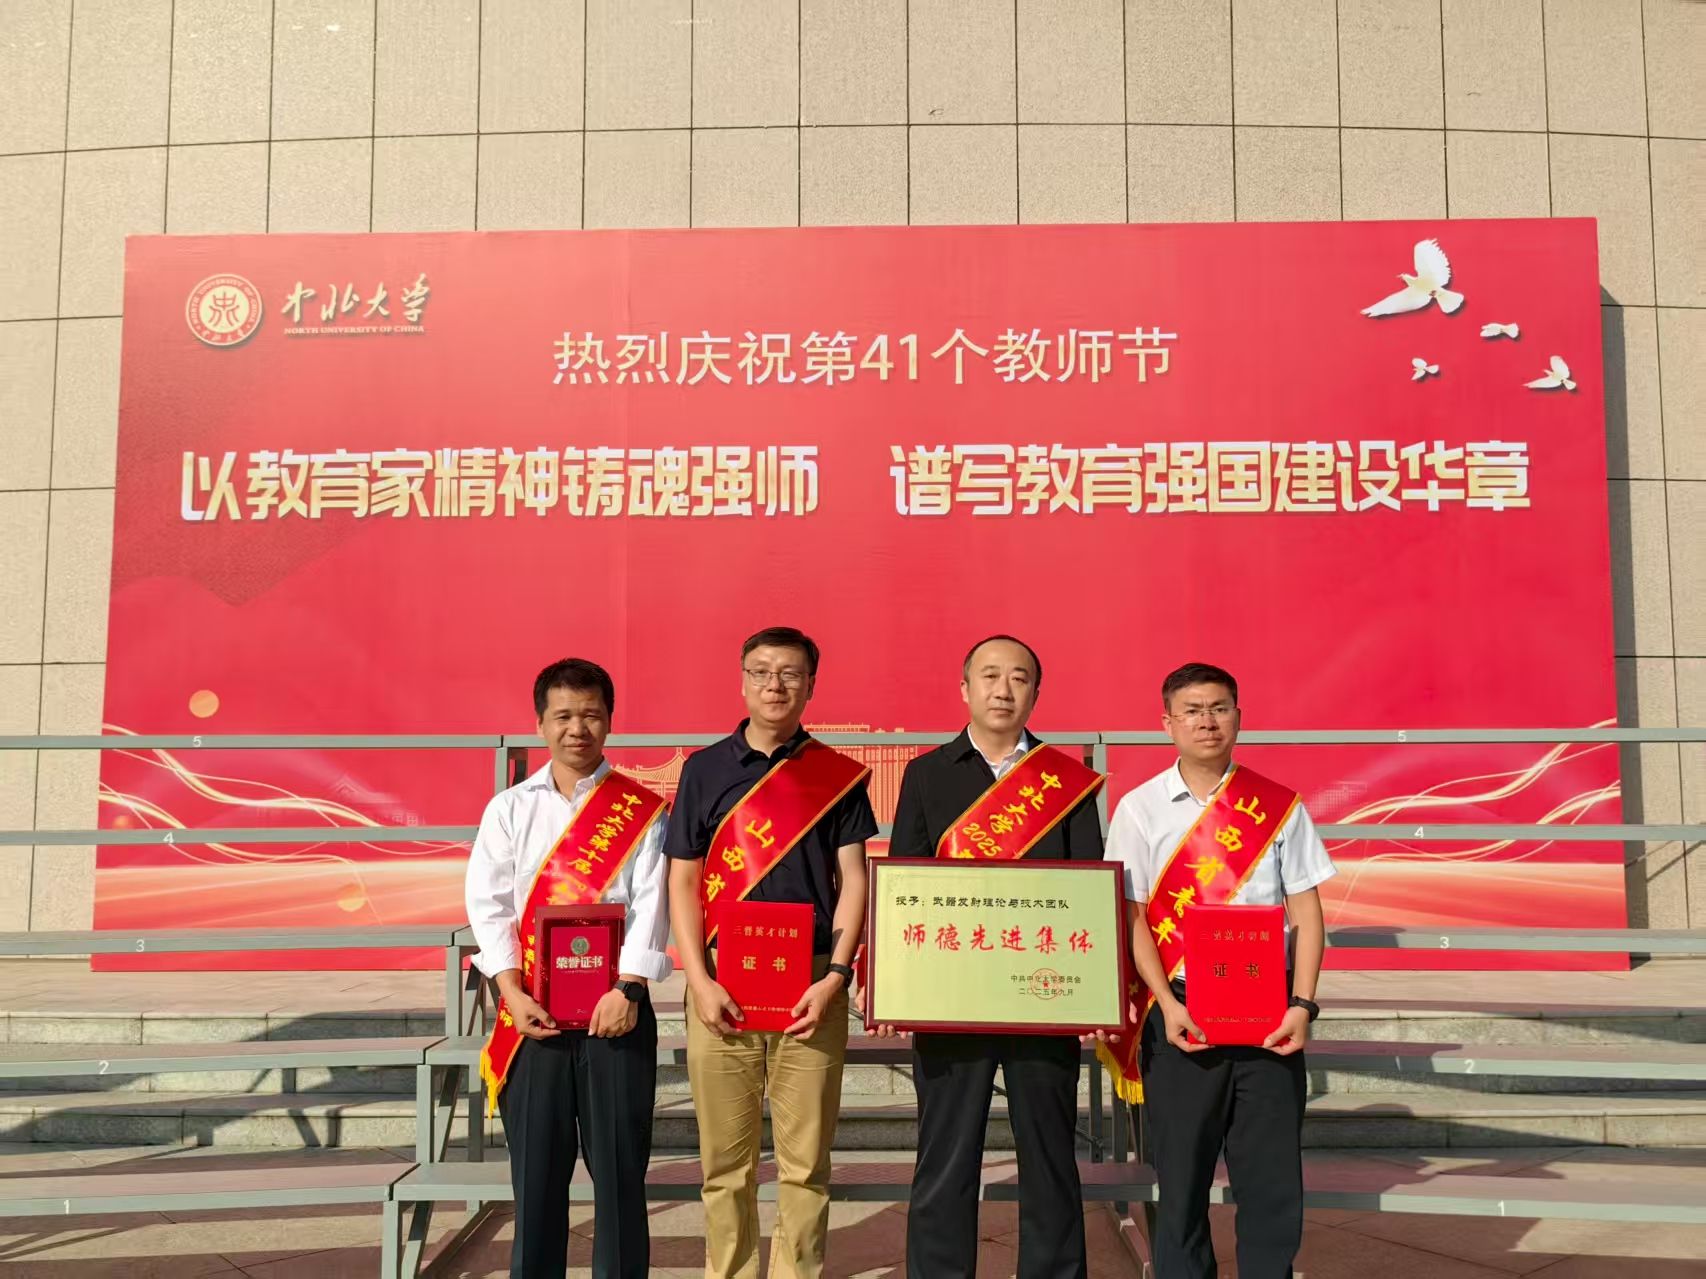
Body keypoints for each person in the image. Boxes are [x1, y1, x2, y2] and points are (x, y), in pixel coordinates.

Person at [883, 635, 1107, 1279]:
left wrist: (1094, 989)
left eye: (1018, 678)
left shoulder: (1066, 781)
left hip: (1043, 996)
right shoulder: (927, 774)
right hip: (950, 999)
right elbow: (904, 883)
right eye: (989, 676)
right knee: (945, 1157)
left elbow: (1088, 886)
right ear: (965, 689)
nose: (1003, 689)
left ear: (1035, 692)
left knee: (1050, 1156)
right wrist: (898, 984)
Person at [1104, 662, 1335, 1279]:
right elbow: (1132, 918)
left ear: (1238, 716)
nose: (1207, 722)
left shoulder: (1278, 806)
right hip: (1182, 1016)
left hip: (1269, 1015)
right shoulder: (1140, 809)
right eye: (1192, 711)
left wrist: (1302, 1006)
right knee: (1181, 1182)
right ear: (1168, 723)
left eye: (1219, 708)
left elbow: (1307, 914)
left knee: (1271, 1181)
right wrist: (1166, 1004)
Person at [666, 625, 877, 1279]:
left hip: (809, 985)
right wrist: (698, 979)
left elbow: (854, 879)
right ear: (742, 681)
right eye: (761, 671)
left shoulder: (835, 776)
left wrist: (836, 975)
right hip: (720, 983)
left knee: (805, 1164)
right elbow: (683, 879)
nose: (774, 684)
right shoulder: (704, 769)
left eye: (789, 673)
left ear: (811, 685)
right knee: (723, 1165)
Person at [465, 658, 672, 1279]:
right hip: (533, 1018)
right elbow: (489, 907)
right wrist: (511, 991)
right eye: (562, 716)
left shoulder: (642, 811)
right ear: (540, 723)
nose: (577, 728)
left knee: (620, 1182)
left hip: (618, 1016)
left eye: (590, 714)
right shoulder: (508, 809)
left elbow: (652, 904)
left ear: (609, 720)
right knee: (536, 1186)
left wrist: (628, 989)